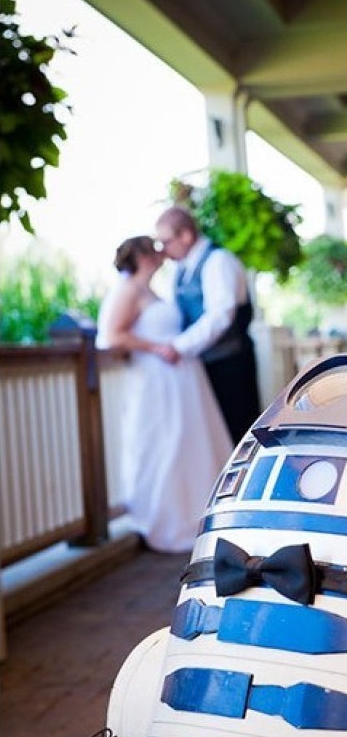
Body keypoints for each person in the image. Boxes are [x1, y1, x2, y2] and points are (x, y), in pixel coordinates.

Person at [96, 235, 232, 553]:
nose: (162, 251)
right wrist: (155, 347)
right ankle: (163, 521)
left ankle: (193, 515)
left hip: (181, 378)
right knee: (161, 444)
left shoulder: (154, 289)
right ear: (143, 256)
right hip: (154, 378)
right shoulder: (128, 289)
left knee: (188, 443)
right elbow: (111, 335)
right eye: (155, 247)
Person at [155, 206, 261, 445]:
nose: (164, 250)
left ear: (186, 235)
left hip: (230, 365)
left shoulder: (219, 261)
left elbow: (221, 316)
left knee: (238, 434)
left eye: (166, 242)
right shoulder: (181, 270)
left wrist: (179, 346)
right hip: (202, 366)